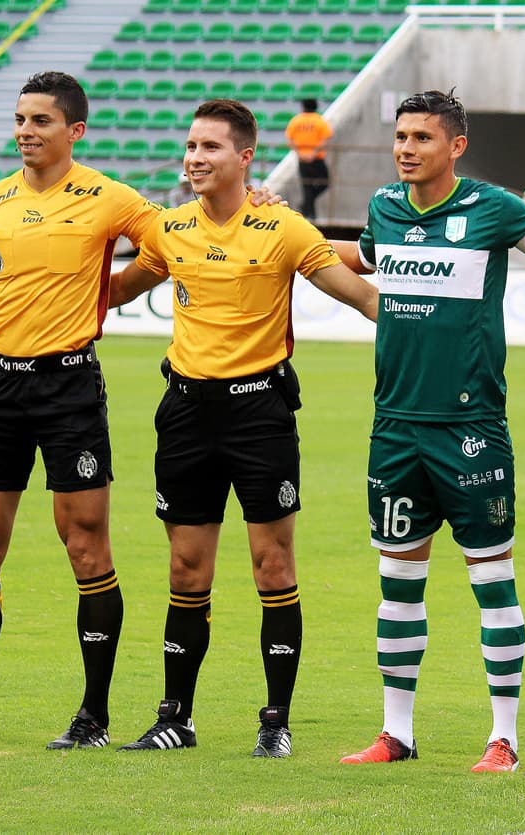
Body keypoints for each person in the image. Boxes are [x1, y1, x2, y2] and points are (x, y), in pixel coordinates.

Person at [109, 99, 378, 758]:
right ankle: (175, 718)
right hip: (185, 413)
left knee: (273, 563)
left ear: (245, 157)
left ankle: (275, 721)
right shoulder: (169, 228)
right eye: (190, 146)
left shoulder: (282, 226)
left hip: (259, 415)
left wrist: (431, 338)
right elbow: (114, 291)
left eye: (210, 147)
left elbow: (361, 295)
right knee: (185, 566)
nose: (195, 158)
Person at [0, 71, 159, 750]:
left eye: (41, 121)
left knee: (84, 543)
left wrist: (112, 290)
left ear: (74, 130)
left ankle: (93, 717)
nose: (26, 131)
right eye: (21, 119)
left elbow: (175, 245)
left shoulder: (109, 197)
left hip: (68, 388)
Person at [333, 89, 525, 773]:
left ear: (456, 146)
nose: (406, 148)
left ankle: (504, 738)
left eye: (422, 138)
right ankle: (395, 733)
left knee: (492, 579)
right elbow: (364, 258)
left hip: (470, 428)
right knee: (398, 581)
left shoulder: (494, 208)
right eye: (401, 136)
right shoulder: (385, 206)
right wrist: (286, 235)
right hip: (395, 427)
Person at [285, 97, 333, 222]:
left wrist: (299, 153)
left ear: (303, 107)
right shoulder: (319, 121)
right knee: (324, 183)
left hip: (302, 159)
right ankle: (310, 213)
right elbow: (325, 139)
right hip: (316, 158)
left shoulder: (296, 121)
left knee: (307, 187)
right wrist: (313, 153)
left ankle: (307, 208)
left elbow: (289, 139)